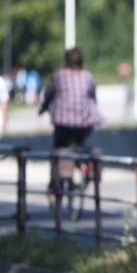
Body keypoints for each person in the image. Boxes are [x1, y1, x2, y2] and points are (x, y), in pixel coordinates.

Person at [39, 48, 102, 190]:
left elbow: (49, 96)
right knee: (80, 145)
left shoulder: (59, 76)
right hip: (83, 126)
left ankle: (54, 182)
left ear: (66, 61)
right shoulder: (88, 77)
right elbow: (93, 98)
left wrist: (43, 108)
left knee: (58, 148)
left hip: (62, 125)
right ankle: (85, 166)